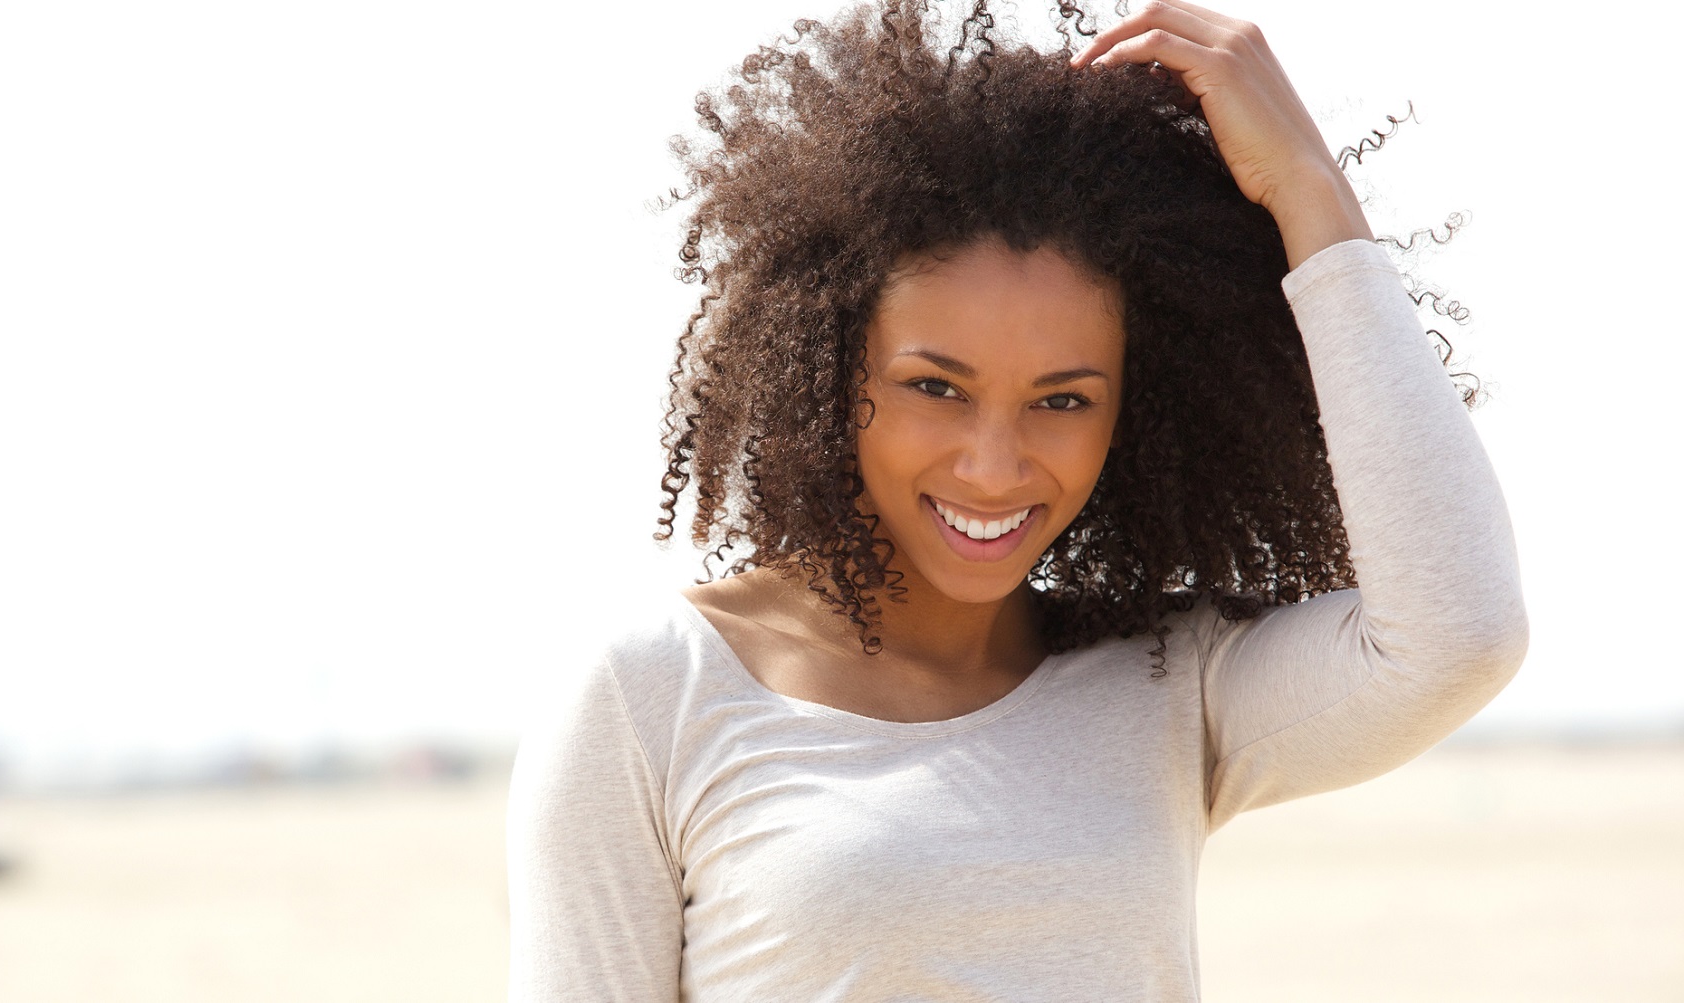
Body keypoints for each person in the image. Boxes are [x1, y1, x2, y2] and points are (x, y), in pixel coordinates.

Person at [507, 0, 1529, 998]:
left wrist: (1310, 193)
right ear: (827, 370)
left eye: (1063, 399)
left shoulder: (1170, 684)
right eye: (935, 387)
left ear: (1134, 409)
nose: (995, 467)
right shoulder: (652, 701)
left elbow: (1459, 634)